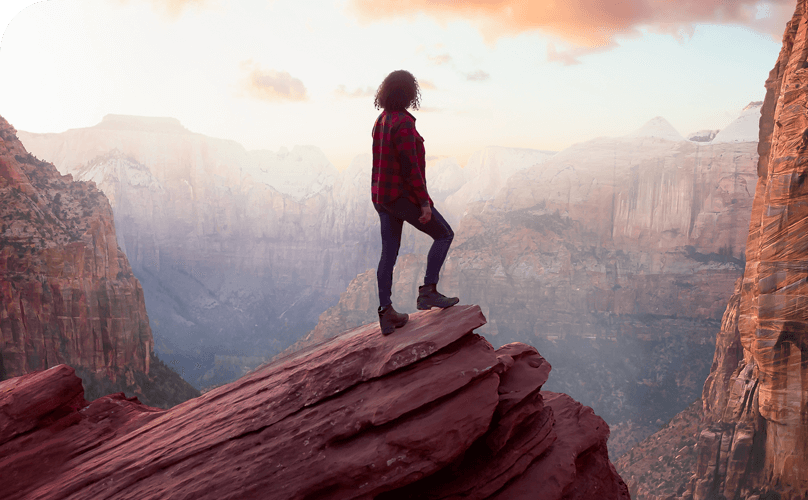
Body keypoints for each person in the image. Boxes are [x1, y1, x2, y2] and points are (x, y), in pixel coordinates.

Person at [371, 69, 459, 335]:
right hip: (401, 197)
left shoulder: (381, 120)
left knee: (388, 252)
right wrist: (424, 203)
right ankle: (428, 291)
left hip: (381, 197)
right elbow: (412, 169)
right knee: (444, 234)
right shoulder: (404, 124)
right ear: (409, 94)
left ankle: (386, 312)